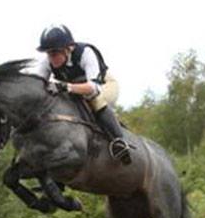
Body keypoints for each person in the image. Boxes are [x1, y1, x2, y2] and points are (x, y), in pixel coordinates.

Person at [26, 24, 131, 164]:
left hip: (105, 86)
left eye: (54, 53)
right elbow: (37, 84)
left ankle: (119, 142)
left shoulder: (85, 53)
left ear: (67, 49)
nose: (51, 58)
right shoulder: (48, 61)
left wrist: (65, 86)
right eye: (48, 54)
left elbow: (93, 87)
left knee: (94, 98)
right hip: (77, 91)